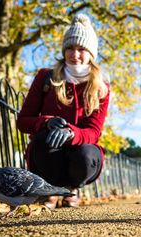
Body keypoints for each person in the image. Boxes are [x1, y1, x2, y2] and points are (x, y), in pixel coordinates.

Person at [16, 14, 110, 209]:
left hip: (80, 154)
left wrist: (72, 133)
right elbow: (22, 121)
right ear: (64, 50)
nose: (75, 54)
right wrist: (46, 122)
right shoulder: (45, 77)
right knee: (44, 140)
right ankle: (50, 190)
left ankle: (72, 189)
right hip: (48, 155)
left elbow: (94, 132)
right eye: (70, 48)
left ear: (91, 54)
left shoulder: (101, 88)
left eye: (82, 49)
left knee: (86, 153)